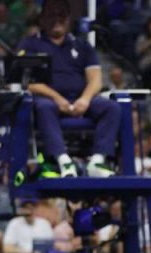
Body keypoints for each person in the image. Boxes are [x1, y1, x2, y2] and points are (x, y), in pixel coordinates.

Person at [17, 0, 120, 178]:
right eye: (52, 15)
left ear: (69, 19)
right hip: (49, 100)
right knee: (43, 106)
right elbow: (28, 81)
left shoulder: (82, 46)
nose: (57, 20)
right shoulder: (30, 44)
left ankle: (97, 161)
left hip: (80, 99)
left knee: (112, 107)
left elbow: (95, 80)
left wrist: (85, 99)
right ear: (42, 19)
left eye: (62, 15)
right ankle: (64, 161)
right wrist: (57, 98)